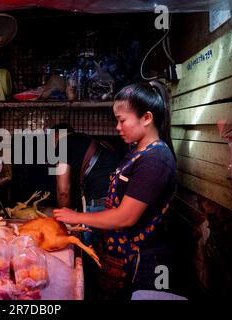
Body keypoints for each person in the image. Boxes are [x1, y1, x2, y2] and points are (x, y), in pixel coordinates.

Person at [54, 80, 177, 301]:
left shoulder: (156, 159)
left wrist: (77, 216)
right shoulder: (136, 152)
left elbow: (126, 217)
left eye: (122, 120)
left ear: (147, 118)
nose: (117, 127)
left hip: (147, 262)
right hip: (123, 257)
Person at [52, 124, 120, 245]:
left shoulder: (62, 144)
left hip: (99, 206)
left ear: (56, 136)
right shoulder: (94, 143)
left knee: (89, 254)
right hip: (119, 205)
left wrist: (63, 219)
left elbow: (63, 190)